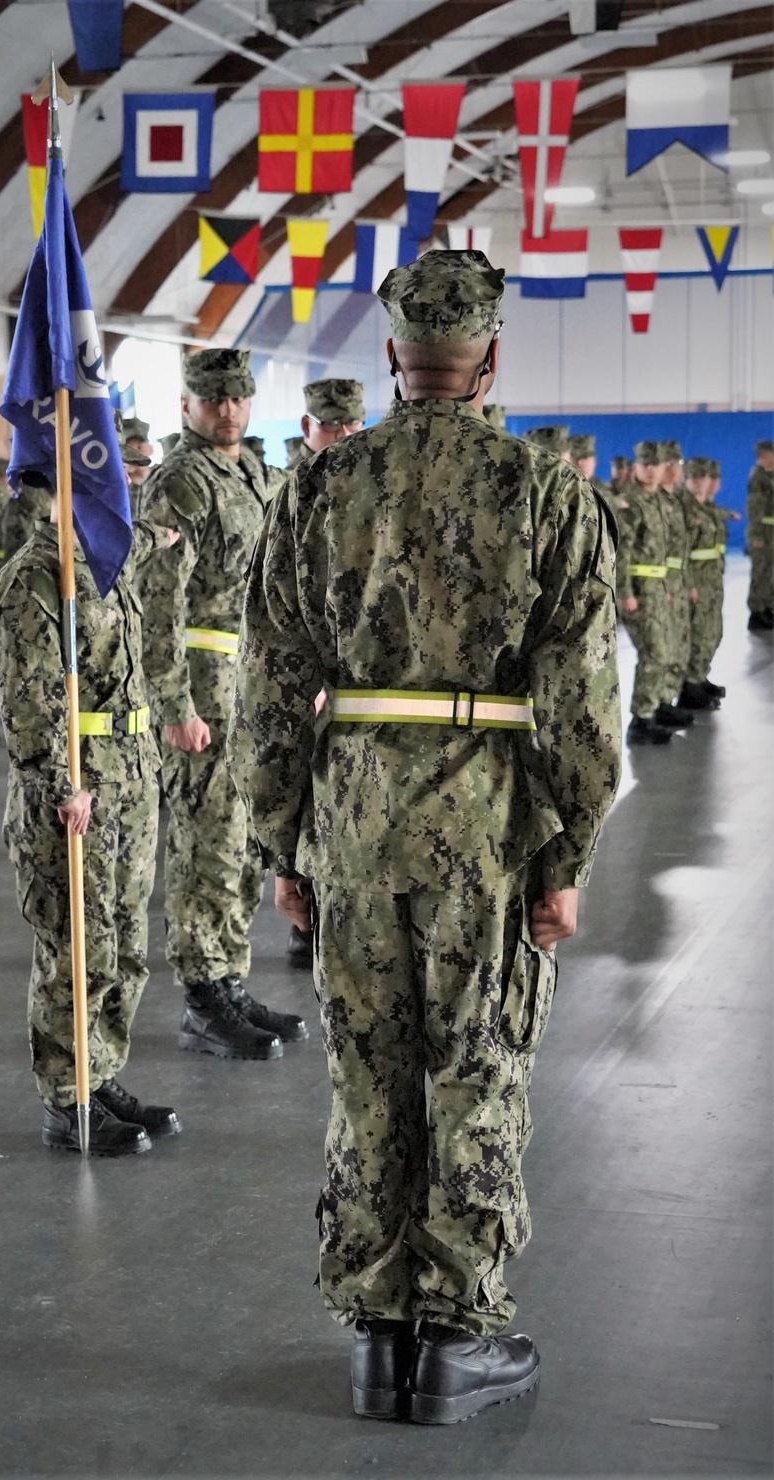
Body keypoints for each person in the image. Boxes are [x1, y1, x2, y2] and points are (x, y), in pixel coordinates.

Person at [230, 249, 621, 1425]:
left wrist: (282, 840)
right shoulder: (543, 492)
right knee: (474, 1065)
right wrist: (566, 862)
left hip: (350, 821)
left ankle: (374, 1331)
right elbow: (583, 704)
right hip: (485, 824)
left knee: (366, 1071)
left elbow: (268, 679)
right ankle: (453, 1339)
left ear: (393, 360)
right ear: (491, 356)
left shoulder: (314, 488)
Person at [0, 469, 180, 1155]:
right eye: (102, 481)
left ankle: (99, 1076)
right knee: (78, 946)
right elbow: (28, 697)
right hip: (78, 789)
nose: (118, 494)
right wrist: (61, 781)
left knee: (126, 945)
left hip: (130, 780)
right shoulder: (37, 577)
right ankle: (65, 1096)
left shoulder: (111, 561)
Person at [138, 347, 306, 1060]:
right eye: (212, 399)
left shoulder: (258, 475)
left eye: (237, 397)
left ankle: (231, 978)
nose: (227, 410)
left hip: (253, 685)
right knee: (205, 842)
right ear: (188, 406)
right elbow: (158, 599)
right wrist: (174, 702)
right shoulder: (179, 481)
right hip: (204, 684)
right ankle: (204, 994)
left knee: (241, 841)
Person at [282, 378, 366, 973]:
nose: (340, 436)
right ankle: (301, 916)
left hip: (350, 678)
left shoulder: (371, 485)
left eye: (350, 426)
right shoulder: (293, 493)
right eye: (329, 425)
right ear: (307, 428)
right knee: (299, 792)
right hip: (296, 668)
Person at [616, 442, 680, 745]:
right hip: (638, 591)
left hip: (658, 589)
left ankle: (652, 710)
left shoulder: (657, 501)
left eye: (657, 464)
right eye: (647, 464)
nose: (653, 470)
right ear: (636, 468)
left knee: (663, 652)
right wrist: (624, 591)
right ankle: (640, 720)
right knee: (653, 654)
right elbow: (622, 551)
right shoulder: (631, 502)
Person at [655, 440, 698, 727]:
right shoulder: (655, 501)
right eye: (670, 465)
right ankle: (656, 704)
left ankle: (668, 698)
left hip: (678, 581)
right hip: (660, 584)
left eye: (678, 465)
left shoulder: (676, 499)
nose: (675, 471)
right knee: (661, 648)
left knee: (679, 644)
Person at [679, 456, 727, 708]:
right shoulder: (685, 510)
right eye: (694, 477)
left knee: (711, 632)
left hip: (712, 580)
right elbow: (681, 550)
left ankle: (699, 676)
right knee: (696, 633)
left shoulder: (708, 507)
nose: (700, 482)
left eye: (704, 477)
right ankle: (689, 686)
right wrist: (688, 583)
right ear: (685, 479)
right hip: (695, 581)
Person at [746, 439, 774, 632]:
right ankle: (757, 613)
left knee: (771, 574)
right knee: (761, 573)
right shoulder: (759, 477)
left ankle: (768, 608)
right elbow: (754, 509)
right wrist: (756, 536)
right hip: (762, 533)